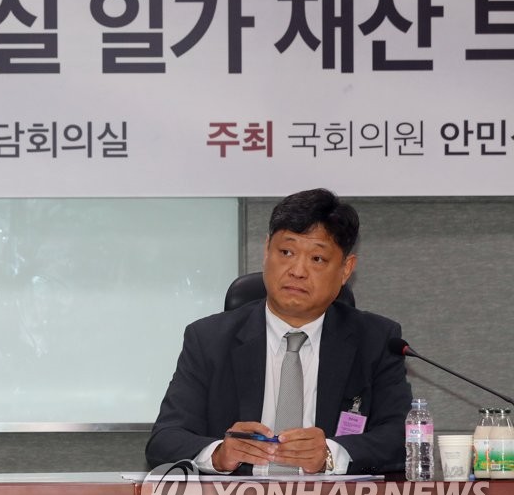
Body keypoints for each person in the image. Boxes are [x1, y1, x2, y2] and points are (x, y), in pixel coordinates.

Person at [145, 189, 412, 475]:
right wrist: (219, 454)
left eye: (317, 259)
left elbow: (403, 438)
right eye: (286, 252)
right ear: (266, 251)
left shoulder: (377, 341)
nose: (297, 271)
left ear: (346, 269)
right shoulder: (208, 339)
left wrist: (331, 454)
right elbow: (164, 440)